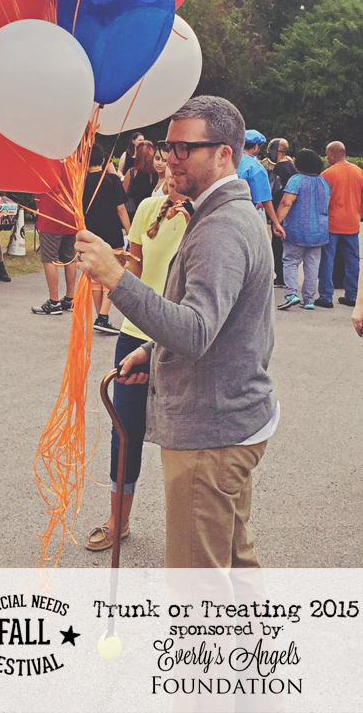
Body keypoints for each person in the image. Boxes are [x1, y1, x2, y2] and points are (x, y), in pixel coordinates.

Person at [76, 96, 278, 570]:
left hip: (211, 432)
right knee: (232, 556)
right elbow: (214, 320)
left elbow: (194, 331)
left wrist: (116, 278)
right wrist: (152, 348)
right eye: (169, 146)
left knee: (196, 580)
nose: (171, 157)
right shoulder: (216, 214)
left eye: (186, 148)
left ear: (225, 153)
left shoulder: (220, 226)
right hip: (230, 420)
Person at [86, 166, 189, 551]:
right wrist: (113, 269)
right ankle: (118, 519)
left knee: (183, 434)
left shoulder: (211, 217)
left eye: (183, 156)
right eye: (170, 158)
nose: (174, 168)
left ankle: (189, 525)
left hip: (183, 336)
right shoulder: (148, 207)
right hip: (136, 333)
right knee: (124, 431)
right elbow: (139, 269)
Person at [82, 143, 130, 334]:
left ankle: (101, 316)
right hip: (111, 234)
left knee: (96, 276)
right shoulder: (111, 180)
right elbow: (121, 208)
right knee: (113, 273)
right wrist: (130, 231)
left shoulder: (81, 182)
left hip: (91, 234)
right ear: (103, 160)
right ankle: (103, 316)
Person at [275, 149, 330, 311]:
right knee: (312, 266)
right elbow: (327, 205)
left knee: (291, 261)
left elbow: (286, 202)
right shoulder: (323, 182)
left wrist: (276, 222)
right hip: (319, 231)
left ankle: (290, 294)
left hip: (297, 230)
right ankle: (309, 299)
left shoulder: (296, 180)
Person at [315, 141, 363, 308]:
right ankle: (352, 295)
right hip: (352, 222)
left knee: (328, 259)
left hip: (332, 222)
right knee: (352, 259)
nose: (327, 157)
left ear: (334, 154)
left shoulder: (328, 174)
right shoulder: (359, 172)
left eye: (327, 154)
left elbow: (323, 202)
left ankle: (326, 297)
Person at [31, 164, 78, 315]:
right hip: (71, 215)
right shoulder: (73, 162)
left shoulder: (48, 161)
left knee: (49, 259)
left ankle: (54, 301)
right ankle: (70, 298)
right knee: (70, 258)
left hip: (50, 214)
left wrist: (37, 204)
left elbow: (39, 185)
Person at [236, 130, 287, 239]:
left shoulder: (228, 160)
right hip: (246, 215)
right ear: (256, 147)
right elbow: (266, 200)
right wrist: (275, 222)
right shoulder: (255, 167)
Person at [263, 138, 297, 286]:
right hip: (291, 213)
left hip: (279, 213)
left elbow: (273, 192)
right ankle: (289, 278)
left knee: (277, 246)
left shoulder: (278, 169)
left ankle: (281, 277)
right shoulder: (292, 166)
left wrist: (271, 216)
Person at [122, 140, 157, 222]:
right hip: (151, 214)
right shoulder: (158, 174)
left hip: (133, 215)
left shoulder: (131, 173)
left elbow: (123, 195)